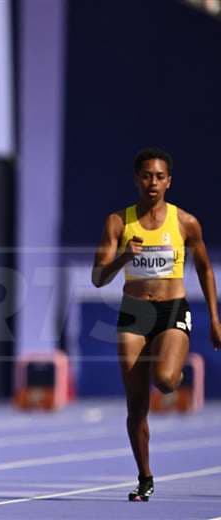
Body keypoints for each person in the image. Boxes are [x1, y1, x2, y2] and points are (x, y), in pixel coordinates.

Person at [91, 147, 221, 501]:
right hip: (134, 312)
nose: (153, 182)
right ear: (137, 179)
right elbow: (98, 278)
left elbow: (205, 268)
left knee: (164, 381)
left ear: (169, 182)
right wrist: (123, 258)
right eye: (146, 175)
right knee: (136, 405)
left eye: (159, 176)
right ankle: (145, 476)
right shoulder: (118, 222)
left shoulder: (185, 222)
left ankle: (175, 372)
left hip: (172, 309)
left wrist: (213, 316)